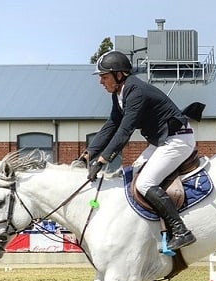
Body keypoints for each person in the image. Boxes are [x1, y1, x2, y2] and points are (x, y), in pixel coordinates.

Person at [77, 50, 197, 251]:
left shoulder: (136, 91)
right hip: (162, 142)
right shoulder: (120, 94)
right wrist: (89, 154)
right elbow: (112, 125)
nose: (101, 82)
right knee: (133, 174)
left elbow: (125, 130)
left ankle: (181, 230)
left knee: (144, 183)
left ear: (119, 74)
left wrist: (103, 160)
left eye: (104, 77)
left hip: (177, 140)